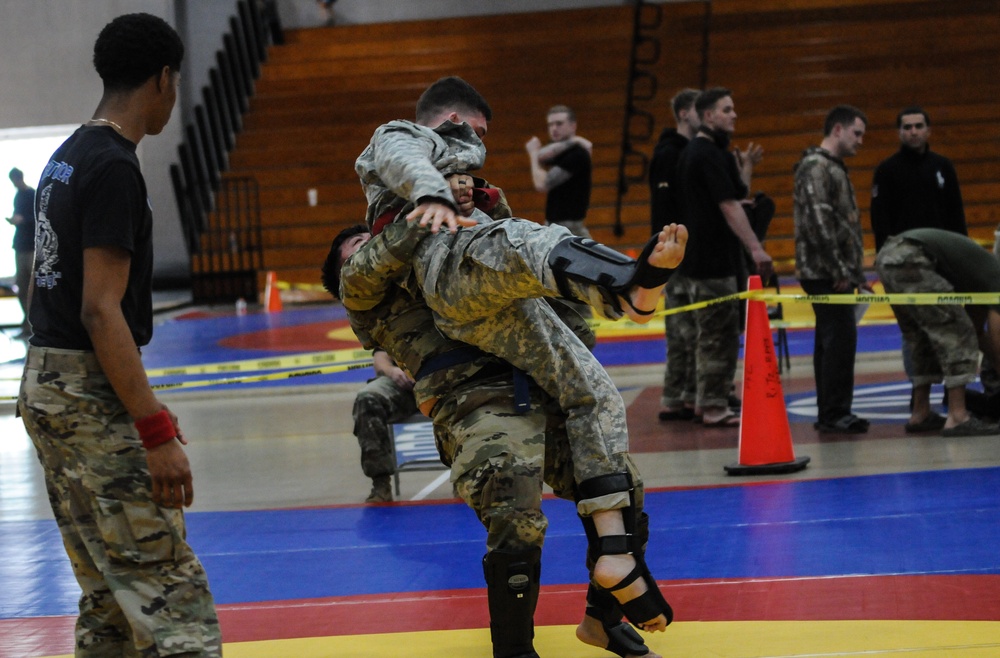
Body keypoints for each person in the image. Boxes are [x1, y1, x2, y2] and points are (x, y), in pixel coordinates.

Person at [352, 74, 679, 640]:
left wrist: (579, 329)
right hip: (464, 367)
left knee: (597, 398)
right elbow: (399, 162)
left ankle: (610, 586)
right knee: (514, 502)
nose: (475, 151)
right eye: (470, 135)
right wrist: (428, 195)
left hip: (508, 344)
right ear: (449, 123)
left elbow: (535, 286)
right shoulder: (397, 159)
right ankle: (514, 646)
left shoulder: (481, 196)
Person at [324, 218, 664, 658]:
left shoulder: (437, 260)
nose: (368, 243)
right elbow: (386, 248)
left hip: (535, 385)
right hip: (471, 402)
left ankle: (602, 620)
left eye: (369, 235)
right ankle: (514, 649)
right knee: (513, 500)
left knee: (621, 489)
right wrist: (423, 207)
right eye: (355, 243)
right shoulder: (362, 294)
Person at [17, 13, 221, 657]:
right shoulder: (113, 167)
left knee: (107, 592)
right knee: (169, 593)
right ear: (163, 79)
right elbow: (101, 311)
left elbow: (38, 281)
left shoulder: (65, 158)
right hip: (86, 388)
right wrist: (153, 429)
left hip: (45, 383)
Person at [674, 87, 770, 427]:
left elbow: (731, 198)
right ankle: (714, 406)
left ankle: (706, 400)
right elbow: (727, 206)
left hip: (704, 260)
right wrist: (755, 248)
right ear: (709, 115)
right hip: (712, 262)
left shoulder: (703, 152)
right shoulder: (705, 154)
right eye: (727, 109)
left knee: (710, 335)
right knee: (720, 336)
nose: (734, 115)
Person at [793, 104, 872, 434]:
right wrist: (840, 269)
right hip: (825, 272)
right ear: (837, 130)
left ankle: (833, 410)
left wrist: (855, 273)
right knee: (838, 340)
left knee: (833, 340)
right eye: (857, 133)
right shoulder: (816, 167)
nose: (860, 141)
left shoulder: (830, 167)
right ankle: (834, 411)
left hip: (832, 270)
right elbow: (819, 222)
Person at [875, 228, 1000, 437]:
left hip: (890, 256)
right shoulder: (997, 281)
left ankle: (920, 413)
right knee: (956, 331)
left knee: (920, 336)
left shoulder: (982, 279)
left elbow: (979, 334)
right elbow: (995, 341)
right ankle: (958, 417)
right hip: (912, 257)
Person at [649, 89, 700, 421]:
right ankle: (684, 395)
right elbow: (668, 209)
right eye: (701, 110)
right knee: (686, 326)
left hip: (678, 250)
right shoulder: (670, 154)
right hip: (676, 251)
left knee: (683, 325)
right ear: (684, 113)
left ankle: (679, 395)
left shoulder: (686, 151)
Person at [870, 107, 966, 253]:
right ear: (899, 132)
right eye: (907, 127)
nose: (913, 132)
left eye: (919, 126)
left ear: (928, 131)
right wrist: (883, 255)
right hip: (902, 252)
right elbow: (880, 218)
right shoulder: (886, 170)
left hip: (940, 249)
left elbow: (956, 213)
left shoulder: (943, 166)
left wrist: (961, 250)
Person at [352, 348, 418, 502]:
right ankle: (381, 484)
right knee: (367, 398)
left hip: (444, 380)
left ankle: (467, 479)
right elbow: (381, 356)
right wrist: (392, 371)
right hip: (404, 387)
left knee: (467, 396)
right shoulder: (397, 323)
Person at [525, 104, 593, 238]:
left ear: (573, 126)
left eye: (559, 124)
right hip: (557, 225)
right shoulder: (566, 150)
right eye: (550, 125)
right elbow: (543, 155)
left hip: (568, 228)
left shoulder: (577, 154)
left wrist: (532, 154)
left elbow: (542, 184)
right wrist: (575, 140)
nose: (554, 128)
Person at [6, 167, 35, 338]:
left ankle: (33, 325)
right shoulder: (18, 196)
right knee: (22, 287)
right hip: (20, 246)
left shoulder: (32, 194)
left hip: (31, 248)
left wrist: (22, 220)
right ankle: (27, 324)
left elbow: (37, 217)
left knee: (33, 289)